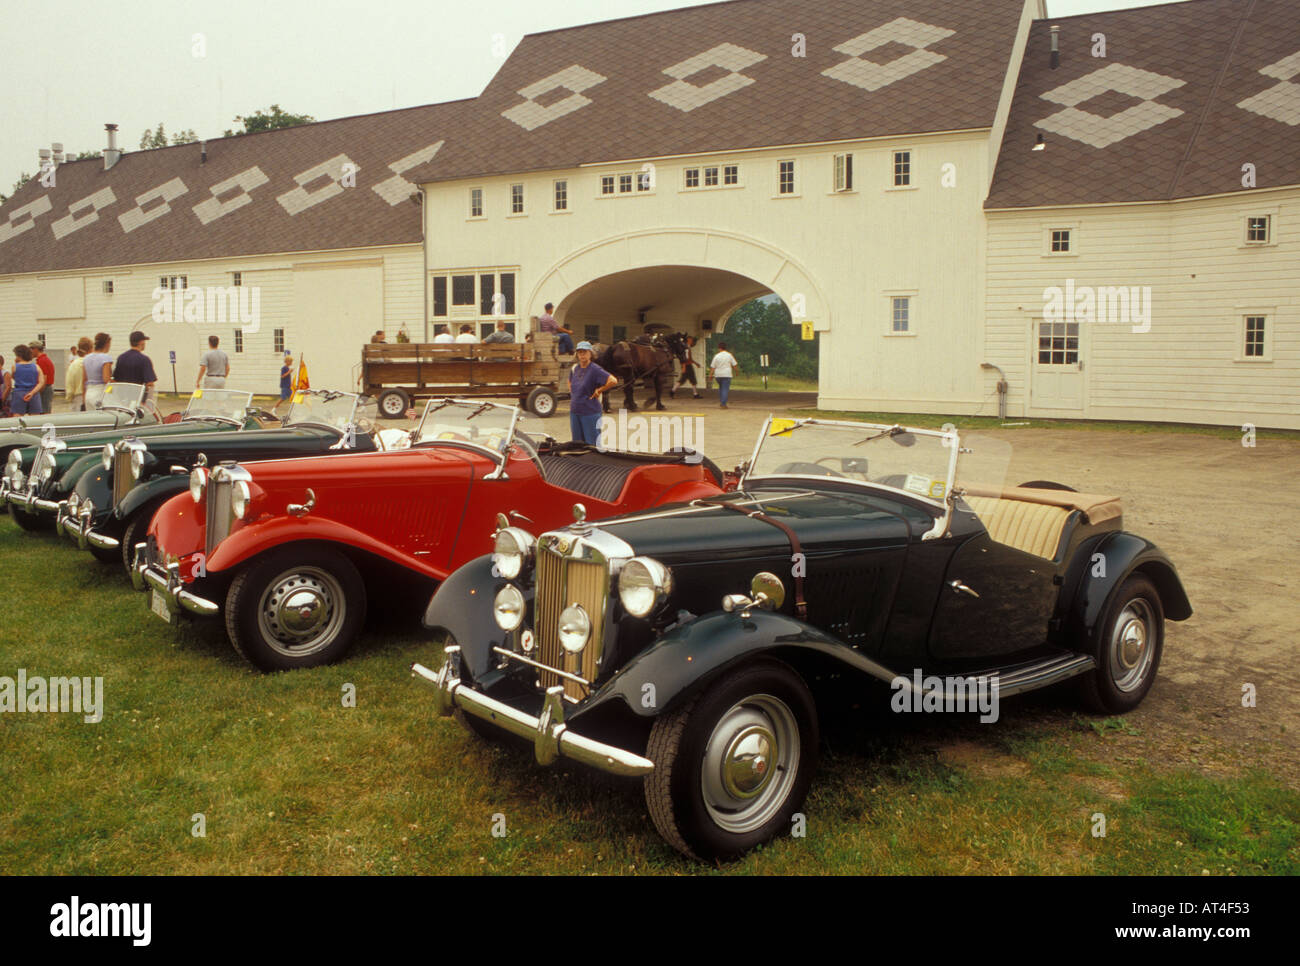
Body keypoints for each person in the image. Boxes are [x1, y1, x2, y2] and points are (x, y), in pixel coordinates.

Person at [568, 341, 616, 446]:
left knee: (592, 445)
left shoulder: (595, 369)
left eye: (585, 352)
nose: (582, 355)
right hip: (575, 412)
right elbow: (570, 382)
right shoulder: (575, 368)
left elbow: (613, 380)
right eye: (580, 352)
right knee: (577, 444)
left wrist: (599, 390)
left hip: (590, 412)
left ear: (590, 353)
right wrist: (574, 396)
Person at [113, 330, 158, 415]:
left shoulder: (121, 358)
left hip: (123, 401)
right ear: (141, 342)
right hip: (138, 401)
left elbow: (115, 380)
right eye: (144, 341)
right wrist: (148, 402)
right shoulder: (144, 360)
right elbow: (150, 383)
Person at [10, 344, 45, 415]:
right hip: (34, 393)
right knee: (35, 417)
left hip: (19, 392)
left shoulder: (15, 367)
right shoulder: (36, 367)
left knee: (18, 416)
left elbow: (13, 377)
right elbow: (41, 382)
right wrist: (32, 393)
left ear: (19, 356)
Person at [83, 333, 114, 410]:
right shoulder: (106, 358)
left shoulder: (86, 358)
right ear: (107, 344)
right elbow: (106, 380)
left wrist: (83, 396)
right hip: (100, 392)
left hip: (89, 392)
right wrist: (112, 390)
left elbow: (84, 379)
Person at [672, 335, 704, 399]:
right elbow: (684, 358)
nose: (692, 341)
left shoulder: (687, 347)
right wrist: (684, 366)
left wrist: (696, 363)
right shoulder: (686, 348)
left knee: (686, 379)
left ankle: (672, 391)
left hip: (688, 365)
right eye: (691, 340)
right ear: (688, 340)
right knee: (688, 379)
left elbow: (690, 358)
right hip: (687, 365)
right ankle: (695, 394)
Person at [709, 341, 739, 409]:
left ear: (719, 348)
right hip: (727, 374)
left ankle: (722, 402)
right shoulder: (729, 355)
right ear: (725, 348)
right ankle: (723, 404)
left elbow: (713, 367)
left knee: (721, 388)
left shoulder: (716, 356)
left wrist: (711, 375)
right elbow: (734, 365)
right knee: (725, 389)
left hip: (718, 375)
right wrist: (737, 372)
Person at [65, 337, 90, 411]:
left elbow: (69, 382)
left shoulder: (73, 364)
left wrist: (69, 397)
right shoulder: (91, 363)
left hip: (77, 396)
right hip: (90, 394)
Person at [30, 341, 55, 415]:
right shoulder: (44, 359)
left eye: (31, 349)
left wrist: (38, 392)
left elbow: (44, 379)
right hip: (47, 388)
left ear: (36, 349)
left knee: (44, 412)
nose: (30, 351)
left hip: (45, 389)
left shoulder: (42, 361)